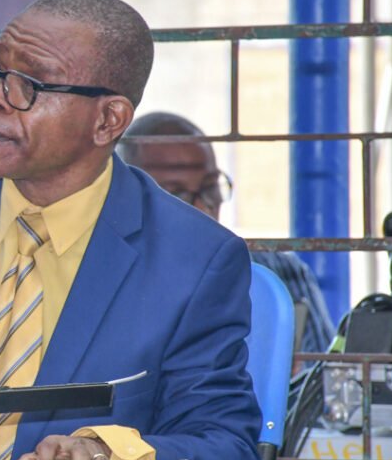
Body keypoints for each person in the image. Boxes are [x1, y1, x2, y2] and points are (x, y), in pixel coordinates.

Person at [0, 0, 261, 460]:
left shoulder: (194, 260)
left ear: (107, 120)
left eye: (28, 85)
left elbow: (225, 446)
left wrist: (113, 452)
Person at [117, 111, 336, 358]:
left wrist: (288, 378)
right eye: (176, 195)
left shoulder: (280, 273)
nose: (202, 208)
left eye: (211, 187)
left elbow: (325, 384)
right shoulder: (109, 280)